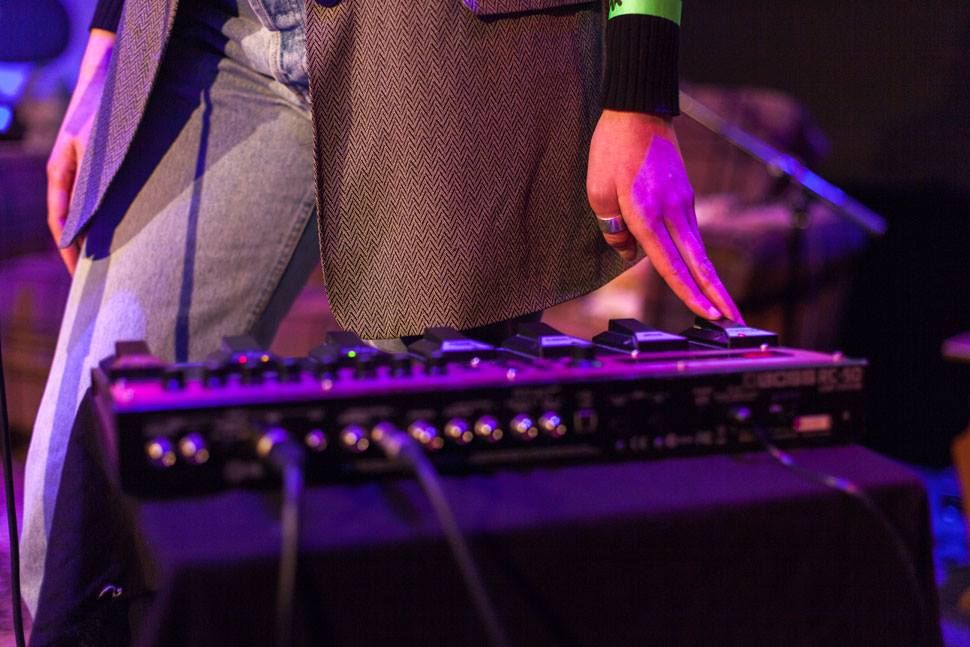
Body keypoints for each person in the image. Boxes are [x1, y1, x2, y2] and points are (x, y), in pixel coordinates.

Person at [25, 0, 742, 642]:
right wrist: (107, 48)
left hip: (445, 56)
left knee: (411, 545)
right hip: (217, 41)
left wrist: (641, 88)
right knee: (70, 520)